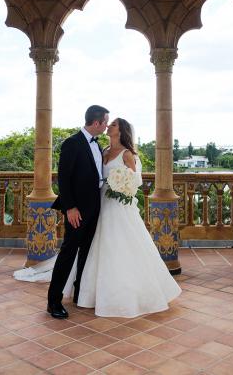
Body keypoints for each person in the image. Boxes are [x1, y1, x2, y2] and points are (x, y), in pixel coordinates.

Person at [75, 117, 181, 317]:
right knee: (97, 244)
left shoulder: (127, 154)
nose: (108, 127)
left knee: (118, 244)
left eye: (113, 125)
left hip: (118, 205)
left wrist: (120, 188)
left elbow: (133, 182)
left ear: (121, 130)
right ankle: (92, 292)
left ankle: (124, 294)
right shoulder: (103, 151)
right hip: (101, 202)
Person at [47, 105, 109, 319]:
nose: (107, 126)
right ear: (97, 122)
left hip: (95, 209)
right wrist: (70, 207)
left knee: (86, 253)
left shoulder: (98, 145)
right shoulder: (72, 143)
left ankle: (79, 292)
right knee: (68, 253)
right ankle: (53, 301)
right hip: (77, 211)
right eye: (105, 122)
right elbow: (63, 179)